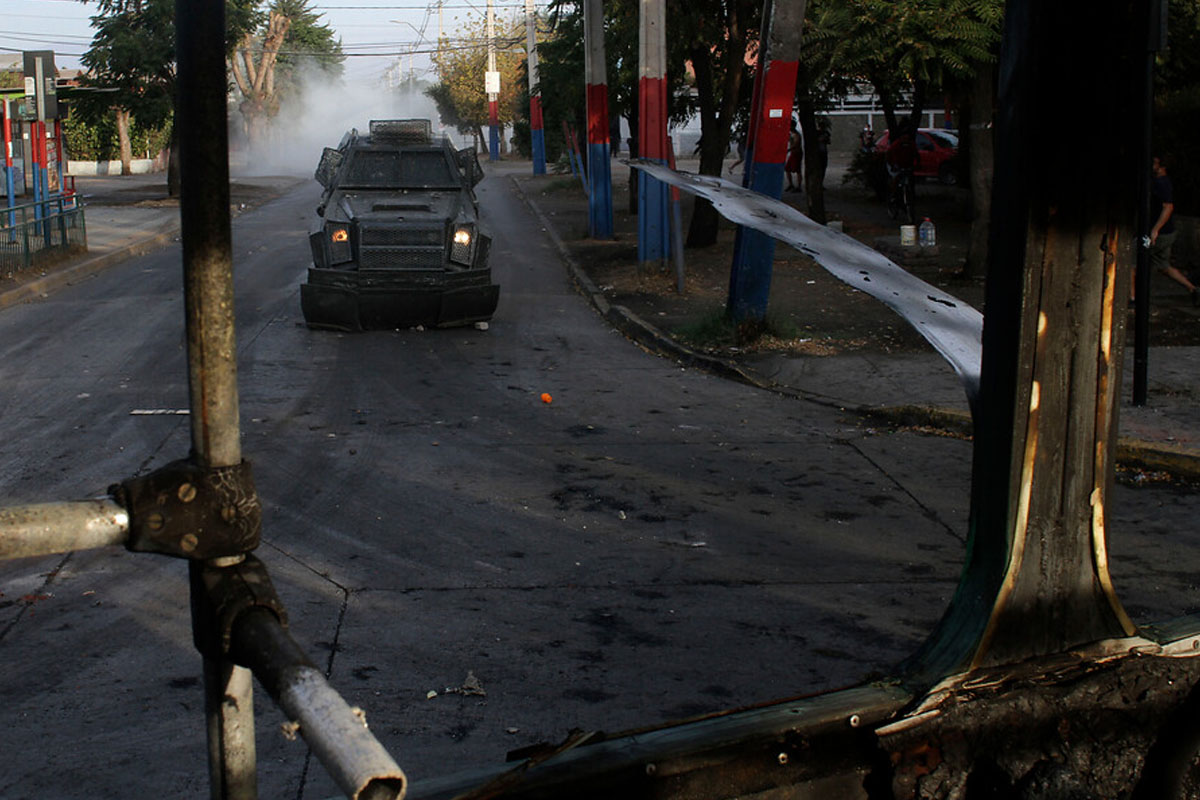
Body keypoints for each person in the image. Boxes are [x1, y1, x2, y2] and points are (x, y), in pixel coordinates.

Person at [1147, 155, 1198, 306]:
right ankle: (1193, 289)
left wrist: (1155, 229)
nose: (1152, 165)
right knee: (1164, 266)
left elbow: (1168, 207)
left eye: (1155, 163)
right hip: (1165, 231)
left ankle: (1133, 298)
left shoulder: (1162, 184)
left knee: (1134, 261)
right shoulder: (1160, 182)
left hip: (1160, 232)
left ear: (1162, 167)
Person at [785, 119, 802, 192]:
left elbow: (796, 144)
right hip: (793, 152)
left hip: (796, 153)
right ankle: (791, 184)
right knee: (787, 169)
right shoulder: (792, 134)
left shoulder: (796, 135)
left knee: (797, 170)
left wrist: (788, 149)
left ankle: (798, 186)